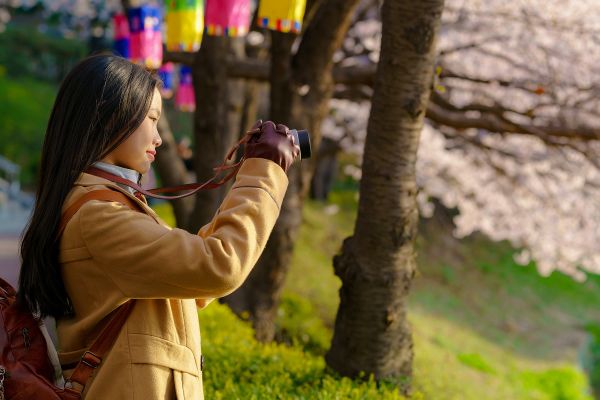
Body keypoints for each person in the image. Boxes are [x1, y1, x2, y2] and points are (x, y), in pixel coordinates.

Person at [17, 54, 299, 399]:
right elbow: (220, 265)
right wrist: (264, 174)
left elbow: (194, 280)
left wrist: (255, 170)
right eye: (151, 118)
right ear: (111, 117)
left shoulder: (105, 205)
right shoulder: (99, 215)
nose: (159, 138)